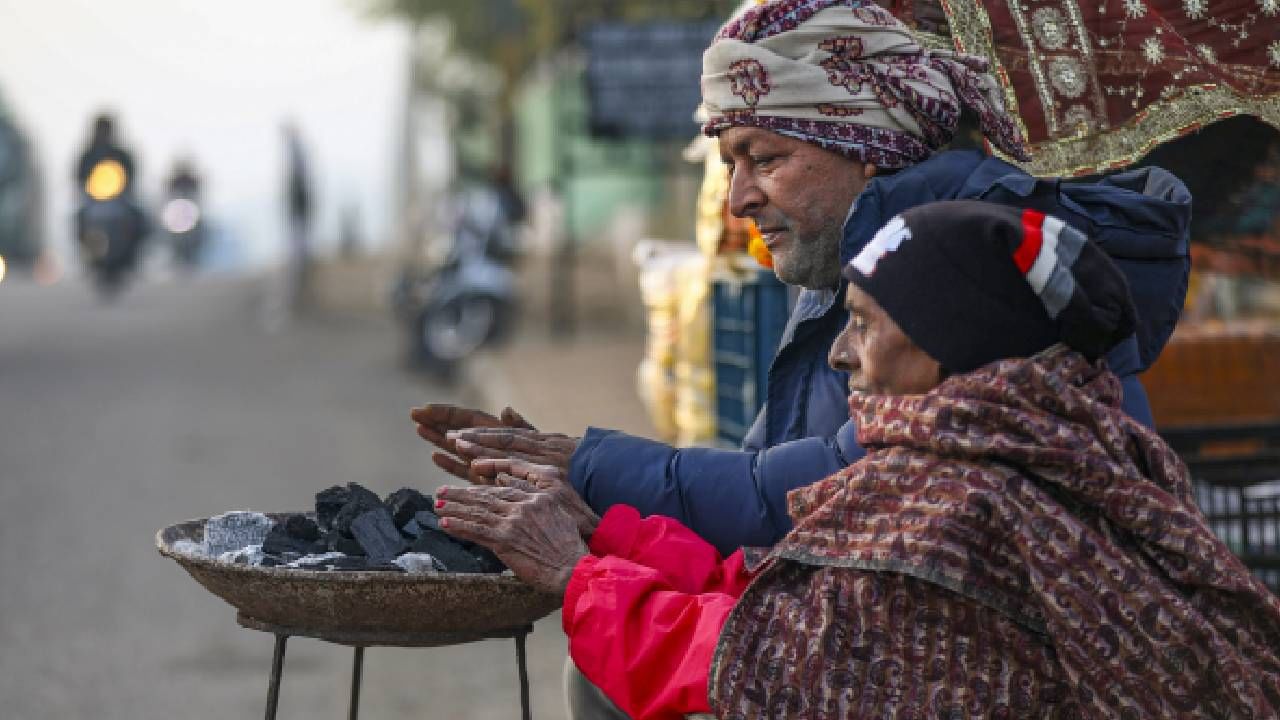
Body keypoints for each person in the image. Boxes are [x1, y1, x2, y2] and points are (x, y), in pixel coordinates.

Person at [434, 201, 1280, 719]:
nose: (841, 355)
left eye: (867, 322)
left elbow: (757, 666)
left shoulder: (957, 514)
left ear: (951, 346)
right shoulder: (1059, 444)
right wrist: (608, 535)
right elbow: (782, 594)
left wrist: (574, 572)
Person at [413, 0, 1191, 556]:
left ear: (864, 148)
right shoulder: (846, 266)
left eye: (765, 159)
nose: (740, 198)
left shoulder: (967, 265)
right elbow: (763, 483)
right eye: (730, 165)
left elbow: (826, 490)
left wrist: (587, 467)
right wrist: (591, 516)